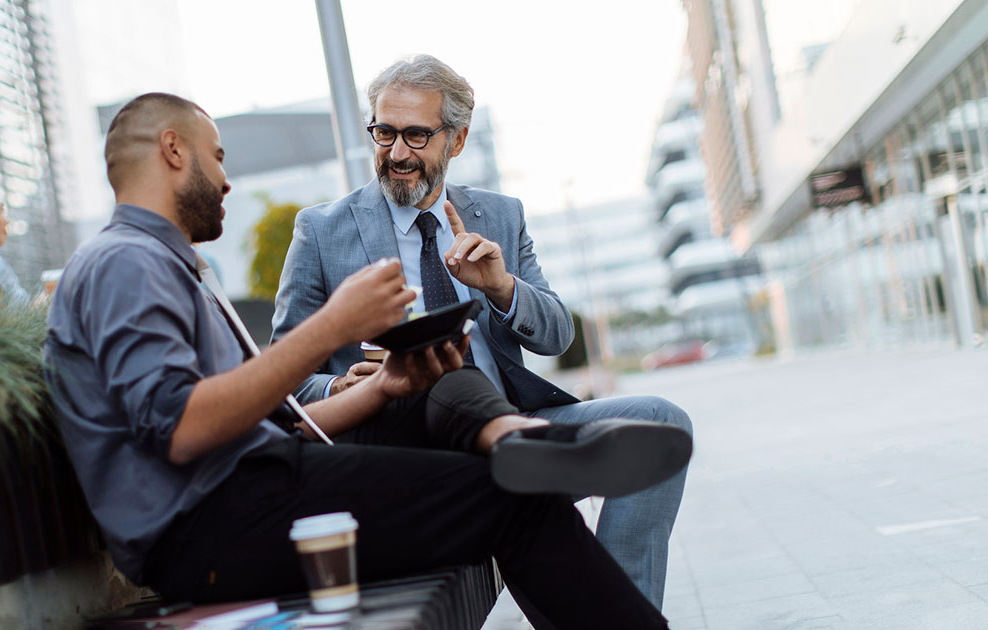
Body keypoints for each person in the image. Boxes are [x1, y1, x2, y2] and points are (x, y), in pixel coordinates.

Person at [43, 92, 686, 629]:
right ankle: (513, 447)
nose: (226, 179)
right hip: (213, 530)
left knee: (428, 358)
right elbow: (183, 428)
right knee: (514, 498)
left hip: (258, 488)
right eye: (216, 158)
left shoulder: (158, 264)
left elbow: (268, 423)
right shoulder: (124, 263)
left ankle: (508, 434)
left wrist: (384, 386)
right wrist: (332, 328)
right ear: (173, 150)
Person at [271, 54, 692, 608]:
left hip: (517, 424)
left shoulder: (500, 215)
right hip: (407, 443)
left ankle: (624, 603)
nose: (397, 153)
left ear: (458, 139)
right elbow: (283, 381)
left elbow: (558, 336)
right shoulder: (322, 231)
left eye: (417, 136)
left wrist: (502, 288)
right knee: (510, 482)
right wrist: (341, 386)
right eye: (385, 133)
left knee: (662, 421)